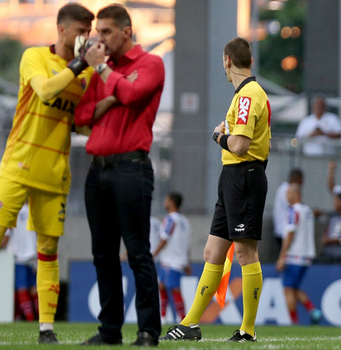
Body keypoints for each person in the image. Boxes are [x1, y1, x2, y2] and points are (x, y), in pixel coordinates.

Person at [161, 37, 270, 343]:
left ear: (227, 61)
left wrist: (218, 136)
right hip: (233, 178)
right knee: (213, 252)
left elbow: (239, 144)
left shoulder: (248, 95)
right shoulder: (244, 95)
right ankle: (191, 324)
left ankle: (247, 330)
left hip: (244, 176)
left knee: (246, 252)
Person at [0, 3, 94, 343]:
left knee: (48, 250)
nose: (86, 37)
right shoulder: (34, 57)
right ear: (63, 30)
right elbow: (45, 91)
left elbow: (80, 122)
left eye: (89, 31)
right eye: (81, 31)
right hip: (19, 163)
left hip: (55, 172)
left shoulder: (85, 75)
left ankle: (46, 329)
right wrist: (82, 63)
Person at [75, 4, 164, 346]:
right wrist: (112, 93)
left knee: (138, 252)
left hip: (132, 166)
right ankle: (109, 330)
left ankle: (147, 331)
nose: (100, 39)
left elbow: (132, 94)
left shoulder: (150, 64)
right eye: (98, 33)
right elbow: (82, 116)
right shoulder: (106, 70)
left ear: (126, 31)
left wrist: (105, 76)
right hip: (97, 171)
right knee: (103, 255)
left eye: (107, 32)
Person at [275, 183, 322, 324]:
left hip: (294, 256)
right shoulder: (307, 211)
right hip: (306, 256)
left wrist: (282, 256)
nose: (286, 195)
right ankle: (313, 310)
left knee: (287, 290)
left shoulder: (292, 211)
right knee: (294, 288)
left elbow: (290, 233)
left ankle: (294, 323)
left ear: (295, 194)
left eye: (288, 192)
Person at [151, 192, 192, 324]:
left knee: (175, 290)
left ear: (172, 202)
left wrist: (153, 254)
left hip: (171, 261)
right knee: (162, 286)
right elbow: (187, 244)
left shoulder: (170, 219)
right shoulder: (185, 220)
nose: (165, 202)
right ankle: (163, 317)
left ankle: (184, 320)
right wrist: (186, 261)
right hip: (177, 260)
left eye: (166, 199)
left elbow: (164, 238)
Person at [0, 203, 38, 322]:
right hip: (32, 253)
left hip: (17, 255)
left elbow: (6, 237)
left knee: (20, 288)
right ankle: (43, 318)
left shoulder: (8, 209)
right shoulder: (30, 209)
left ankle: (30, 318)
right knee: (33, 288)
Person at [273, 169, 304, 249]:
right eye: (301, 179)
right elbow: (295, 207)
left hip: (284, 231)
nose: (302, 182)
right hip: (284, 232)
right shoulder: (286, 190)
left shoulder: (284, 189)